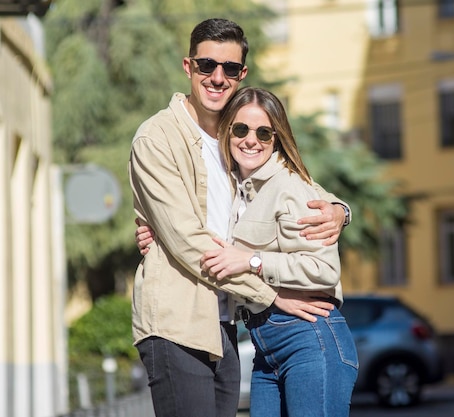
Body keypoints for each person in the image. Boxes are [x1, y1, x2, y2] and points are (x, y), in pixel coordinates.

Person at [128, 18, 351, 417]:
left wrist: (339, 210)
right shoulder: (157, 138)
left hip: (228, 325)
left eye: (229, 68)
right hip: (178, 323)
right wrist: (271, 295)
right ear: (188, 66)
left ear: (242, 73)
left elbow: (294, 183)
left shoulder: (238, 141)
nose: (217, 77)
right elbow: (187, 242)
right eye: (206, 65)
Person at [200, 86, 358, 417]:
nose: (251, 140)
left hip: (309, 339)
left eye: (264, 133)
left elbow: (323, 269)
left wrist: (253, 261)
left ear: (277, 139)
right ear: (228, 131)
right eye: (241, 129)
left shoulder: (289, 186)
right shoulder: (236, 190)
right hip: (265, 347)